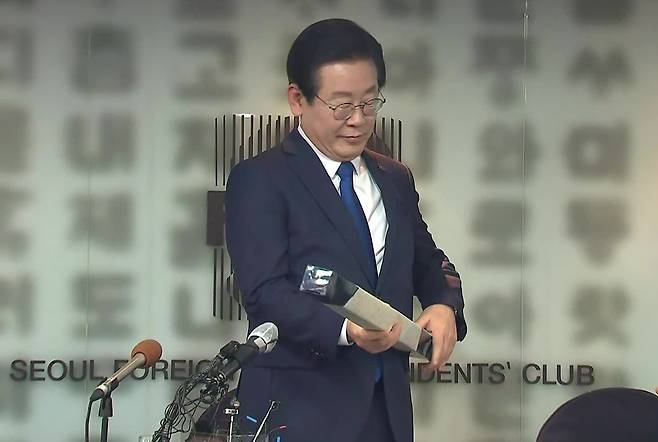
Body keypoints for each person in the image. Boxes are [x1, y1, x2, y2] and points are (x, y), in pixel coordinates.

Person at [224, 18, 466, 442]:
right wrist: (346, 330)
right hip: (297, 411)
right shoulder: (260, 179)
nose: (358, 120)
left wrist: (444, 305)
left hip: (385, 412)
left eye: (369, 103)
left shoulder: (395, 179)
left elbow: (429, 261)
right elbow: (264, 291)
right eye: (341, 106)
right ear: (297, 99)